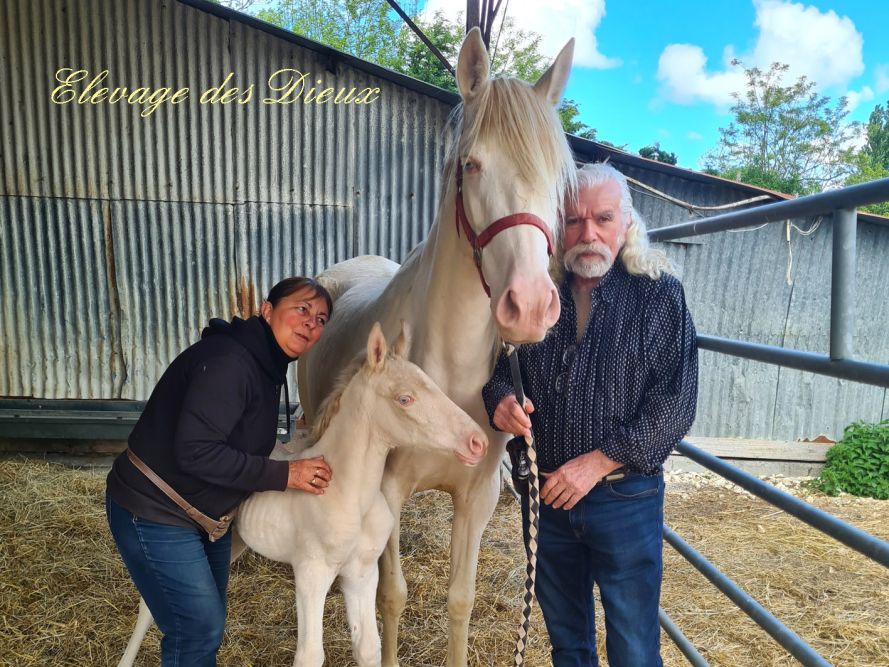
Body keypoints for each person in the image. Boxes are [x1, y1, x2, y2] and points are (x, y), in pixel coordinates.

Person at [483, 163, 698, 667]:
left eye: (602, 219)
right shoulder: (539, 291)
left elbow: (675, 403)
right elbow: (499, 371)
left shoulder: (658, 293)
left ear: (626, 224)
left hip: (624, 496)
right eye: (574, 221)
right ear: (559, 227)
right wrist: (500, 403)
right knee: (568, 642)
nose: (588, 235)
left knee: (633, 647)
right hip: (546, 494)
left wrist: (597, 462)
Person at [106, 276, 334, 666]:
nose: (311, 323)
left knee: (203, 627)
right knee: (196, 627)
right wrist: (286, 475)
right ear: (266, 310)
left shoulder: (266, 366)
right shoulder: (232, 363)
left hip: (203, 516)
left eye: (321, 319)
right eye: (302, 309)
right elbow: (195, 452)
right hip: (154, 509)